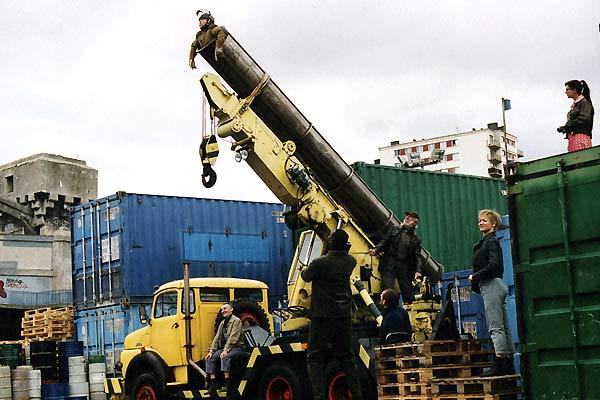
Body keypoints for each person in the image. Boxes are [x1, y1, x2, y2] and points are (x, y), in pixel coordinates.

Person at [301, 229, 363, 400]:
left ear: (330, 243)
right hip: (343, 316)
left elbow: (305, 276)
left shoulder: (319, 263)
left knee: (314, 358)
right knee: (347, 358)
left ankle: (319, 396)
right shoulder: (350, 261)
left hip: (322, 316)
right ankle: (358, 395)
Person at [468, 210, 515, 376]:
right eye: (479, 220)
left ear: (493, 224)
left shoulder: (491, 243)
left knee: (495, 326)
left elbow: (494, 265)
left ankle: (500, 363)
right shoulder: (487, 242)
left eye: (484, 221)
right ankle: (508, 361)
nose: (480, 223)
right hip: (494, 284)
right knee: (503, 326)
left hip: (491, 285)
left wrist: (475, 276)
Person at [369, 211, 422, 303]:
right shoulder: (395, 229)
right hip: (390, 262)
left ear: (415, 222)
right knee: (387, 287)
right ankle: (388, 307)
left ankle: (408, 308)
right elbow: (385, 241)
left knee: (407, 291)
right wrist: (375, 250)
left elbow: (416, 257)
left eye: (410, 217)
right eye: (407, 216)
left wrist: (418, 271)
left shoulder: (415, 239)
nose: (407, 218)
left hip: (404, 265)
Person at [205, 303, 246, 397]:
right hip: (226, 348)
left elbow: (233, 338)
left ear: (231, 310)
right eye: (222, 309)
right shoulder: (223, 323)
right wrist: (211, 351)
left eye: (225, 308)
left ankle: (227, 383)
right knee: (209, 358)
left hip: (237, 347)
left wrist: (226, 350)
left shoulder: (236, 321)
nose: (223, 311)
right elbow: (217, 338)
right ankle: (213, 383)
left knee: (225, 356)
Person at [557, 80, 594, 152]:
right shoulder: (575, 104)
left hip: (580, 137)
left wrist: (567, 126)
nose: (565, 92)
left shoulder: (584, 102)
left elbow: (584, 119)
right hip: (573, 138)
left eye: (567, 89)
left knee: (579, 160)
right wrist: (565, 129)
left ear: (574, 90)